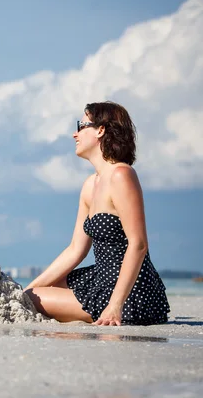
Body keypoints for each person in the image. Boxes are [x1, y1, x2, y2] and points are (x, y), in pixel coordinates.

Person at [25, 101, 170, 326]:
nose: (75, 134)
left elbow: (139, 244)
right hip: (100, 278)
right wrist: (27, 290)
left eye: (81, 125)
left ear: (101, 130)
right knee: (36, 293)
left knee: (34, 300)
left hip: (129, 291)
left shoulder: (122, 175)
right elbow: (76, 250)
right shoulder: (90, 185)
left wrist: (115, 306)